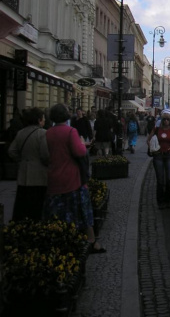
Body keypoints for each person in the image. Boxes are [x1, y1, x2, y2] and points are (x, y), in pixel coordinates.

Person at [42, 103, 105, 253]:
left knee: (58, 213)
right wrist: (83, 143)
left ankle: (60, 243)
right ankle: (90, 241)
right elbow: (79, 152)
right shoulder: (70, 132)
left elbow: (45, 156)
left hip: (54, 179)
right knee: (83, 211)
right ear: (66, 115)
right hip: (72, 179)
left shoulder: (48, 133)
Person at [8, 107, 49, 221]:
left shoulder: (21, 133)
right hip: (39, 175)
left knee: (22, 205)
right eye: (43, 118)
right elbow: (45, 155)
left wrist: (22, 160)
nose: (44, 120)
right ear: (39, 120)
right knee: (37, 205)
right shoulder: (42, 133)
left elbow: (12, 151)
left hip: (23, 174)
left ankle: (20, 226)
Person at [148, 109, 170, 209]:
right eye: (164, 119)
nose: (166, 121)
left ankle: (167, 200)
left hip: (168, 155)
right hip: (158, 156)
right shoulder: (157, 129)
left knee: (169, 179)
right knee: (160, 180)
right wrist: (153, 147)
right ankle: (160, 201)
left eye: (167, 120)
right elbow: (149, 139)